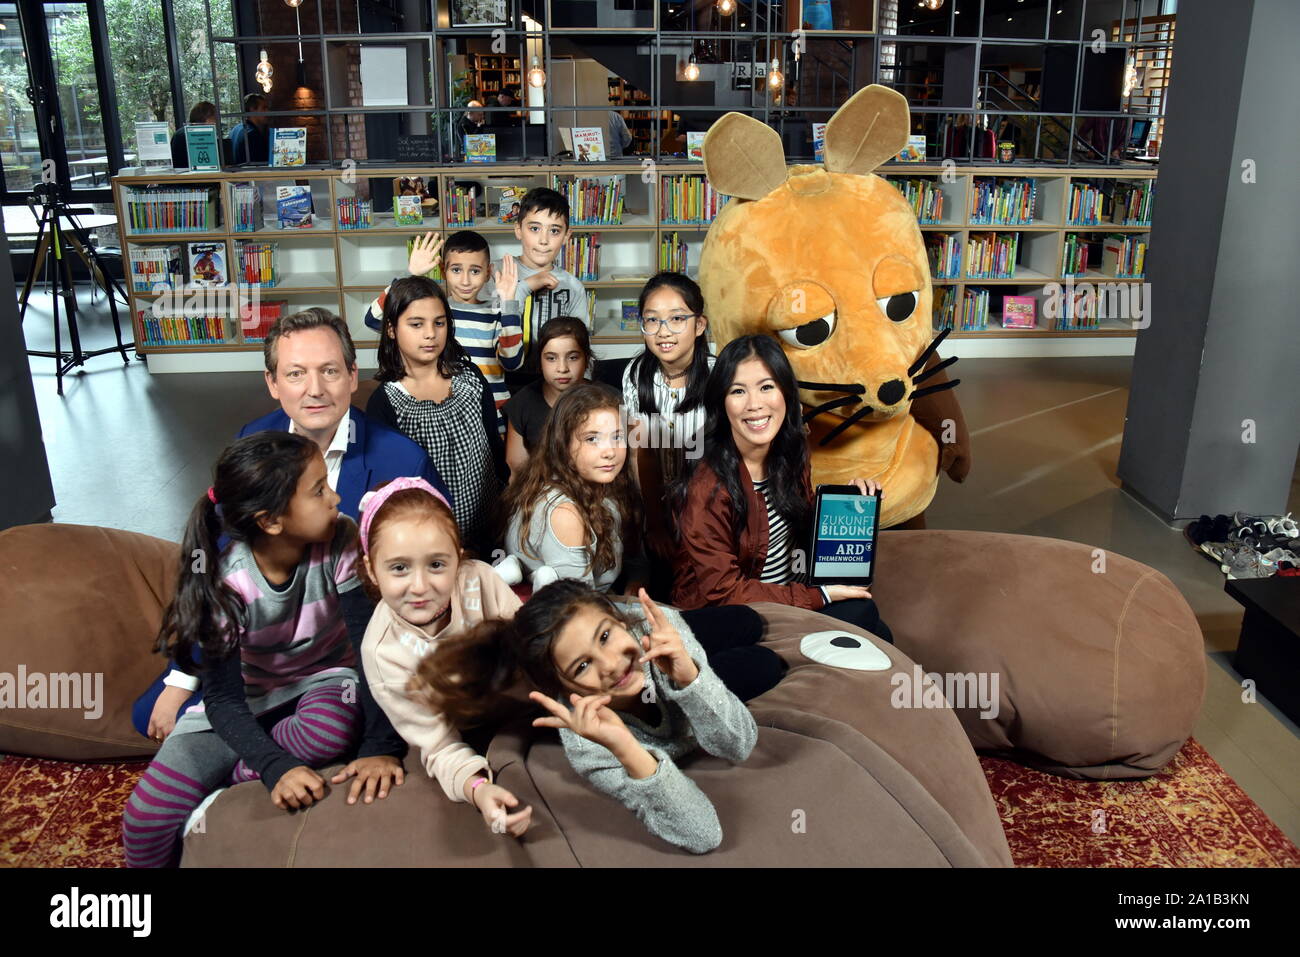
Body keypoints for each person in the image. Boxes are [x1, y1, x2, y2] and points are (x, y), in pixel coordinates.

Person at [134, 307, 449, 743]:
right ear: (272, 383)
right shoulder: (251, 439)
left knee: (338, 726)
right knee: (149, 715)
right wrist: (184, 676)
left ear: (354, 376)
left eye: (330, 371)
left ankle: (269, 752)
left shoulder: (402, 460)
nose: (315, 390)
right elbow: (218, 563)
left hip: (352, 645)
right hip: (261, 639)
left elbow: (437, 571)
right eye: (296, 373)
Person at [122, 433, 372, 866]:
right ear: (271, 521)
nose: (335, 497)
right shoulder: (226, 584)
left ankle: (233, 777)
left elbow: (366, 648)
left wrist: (377, 746)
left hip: (326, 680)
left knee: (332, 728)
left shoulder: (341, 535)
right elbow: (222, 700)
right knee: (146, 816)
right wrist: (275, 766)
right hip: (244, 703)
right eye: (319, 490)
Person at [413, 580, 758, 854]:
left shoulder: (663, 634)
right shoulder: (586, 745)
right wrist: (626, 748)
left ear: (619, 621)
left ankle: (617, 637)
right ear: (562, 689)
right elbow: (704, 835)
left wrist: (690, 678)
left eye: (605, 636)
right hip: (628, 686)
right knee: (765, 665)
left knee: (748, 621)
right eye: (582, 665)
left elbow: (737, 745)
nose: (610, 665)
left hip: (648, 652)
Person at [672, 335, 895, 642]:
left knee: (875, 628)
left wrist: (847, 506)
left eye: (767, 387)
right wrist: (819, 597)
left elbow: (798, 521)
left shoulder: (791, 450)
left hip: (789, 594)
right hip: (738, 612)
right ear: (721, 404)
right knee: (862, 617)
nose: (754, 405)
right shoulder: (707, 486)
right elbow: (723, 592)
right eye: (738, 391)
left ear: (786, 393)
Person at [357, 477, 532, 837]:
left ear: (459, 557)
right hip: (472, 732)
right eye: (399, 568)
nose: (420, 587)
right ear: (372, 569)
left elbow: (532, 649)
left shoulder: (479, 579)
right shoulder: (383, 653)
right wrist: (479, 790)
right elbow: (439, 746)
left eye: (437, 564)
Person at [367, 276, 507, 558]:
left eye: (439, 323)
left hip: (490, 529)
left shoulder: (471, 379)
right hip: (429, 543)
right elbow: (392, 489)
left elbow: (494, 448)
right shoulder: (386, 403)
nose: (430, 334)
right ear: (392, 330)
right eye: (416, 324)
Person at [363, 231, 525, 434]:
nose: (465, 281)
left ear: (488, 272)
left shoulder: (497, 314)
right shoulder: (433, 313)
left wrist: (509, 304)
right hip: (441, 416)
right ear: (443, 270)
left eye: (475, 271)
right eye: (456, 270)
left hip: (492, 417)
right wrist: (410, 276)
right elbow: (373, 319)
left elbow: (512, 362)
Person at [503, 382, 645, 594]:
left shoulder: (610, 484)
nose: (610, 451)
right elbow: (580, 614)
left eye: (617, 436)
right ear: (564, 445)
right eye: (592, 439)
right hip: (576, 614)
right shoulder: (564, 513)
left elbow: (635, 558)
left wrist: (634, 590)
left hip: (605, 600)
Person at [621, 272, 713, 583]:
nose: (664, 332)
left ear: (699, 325)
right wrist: (656, 523)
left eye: (676, 319)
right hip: (657, 500)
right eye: (652, 320)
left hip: (712, 505)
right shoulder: (636, 373)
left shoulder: (720, 374)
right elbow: (640, 453)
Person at [482, 186, 592, 351]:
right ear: (518, 230)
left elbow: (580, 348)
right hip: (502, 373)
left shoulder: (573, 287)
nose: (543, 240)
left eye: (554, 231)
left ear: (566, 237)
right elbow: (485, 331)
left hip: (552, 375)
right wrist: (526, 286)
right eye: (534, 229)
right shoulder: (495, 273)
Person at [503, 316, 594, 473]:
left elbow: (627, 461)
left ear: (586, 359)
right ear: (540, 361)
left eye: (572, 357)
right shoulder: (522, 404)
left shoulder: (612, 401)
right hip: (541, 492)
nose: (562, 368)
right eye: (551, 358)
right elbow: (516, 471)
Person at [170, 101, 232, 168]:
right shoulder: (198, 135)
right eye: (215, 119)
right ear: (208, 118)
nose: (217, 123)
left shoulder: (181, 133)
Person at [227, 92, 270, 165]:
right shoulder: (252, 134)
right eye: (264, 108)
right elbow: (259, 165)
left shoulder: (235, 129)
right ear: (252, 110)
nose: (268, 112)